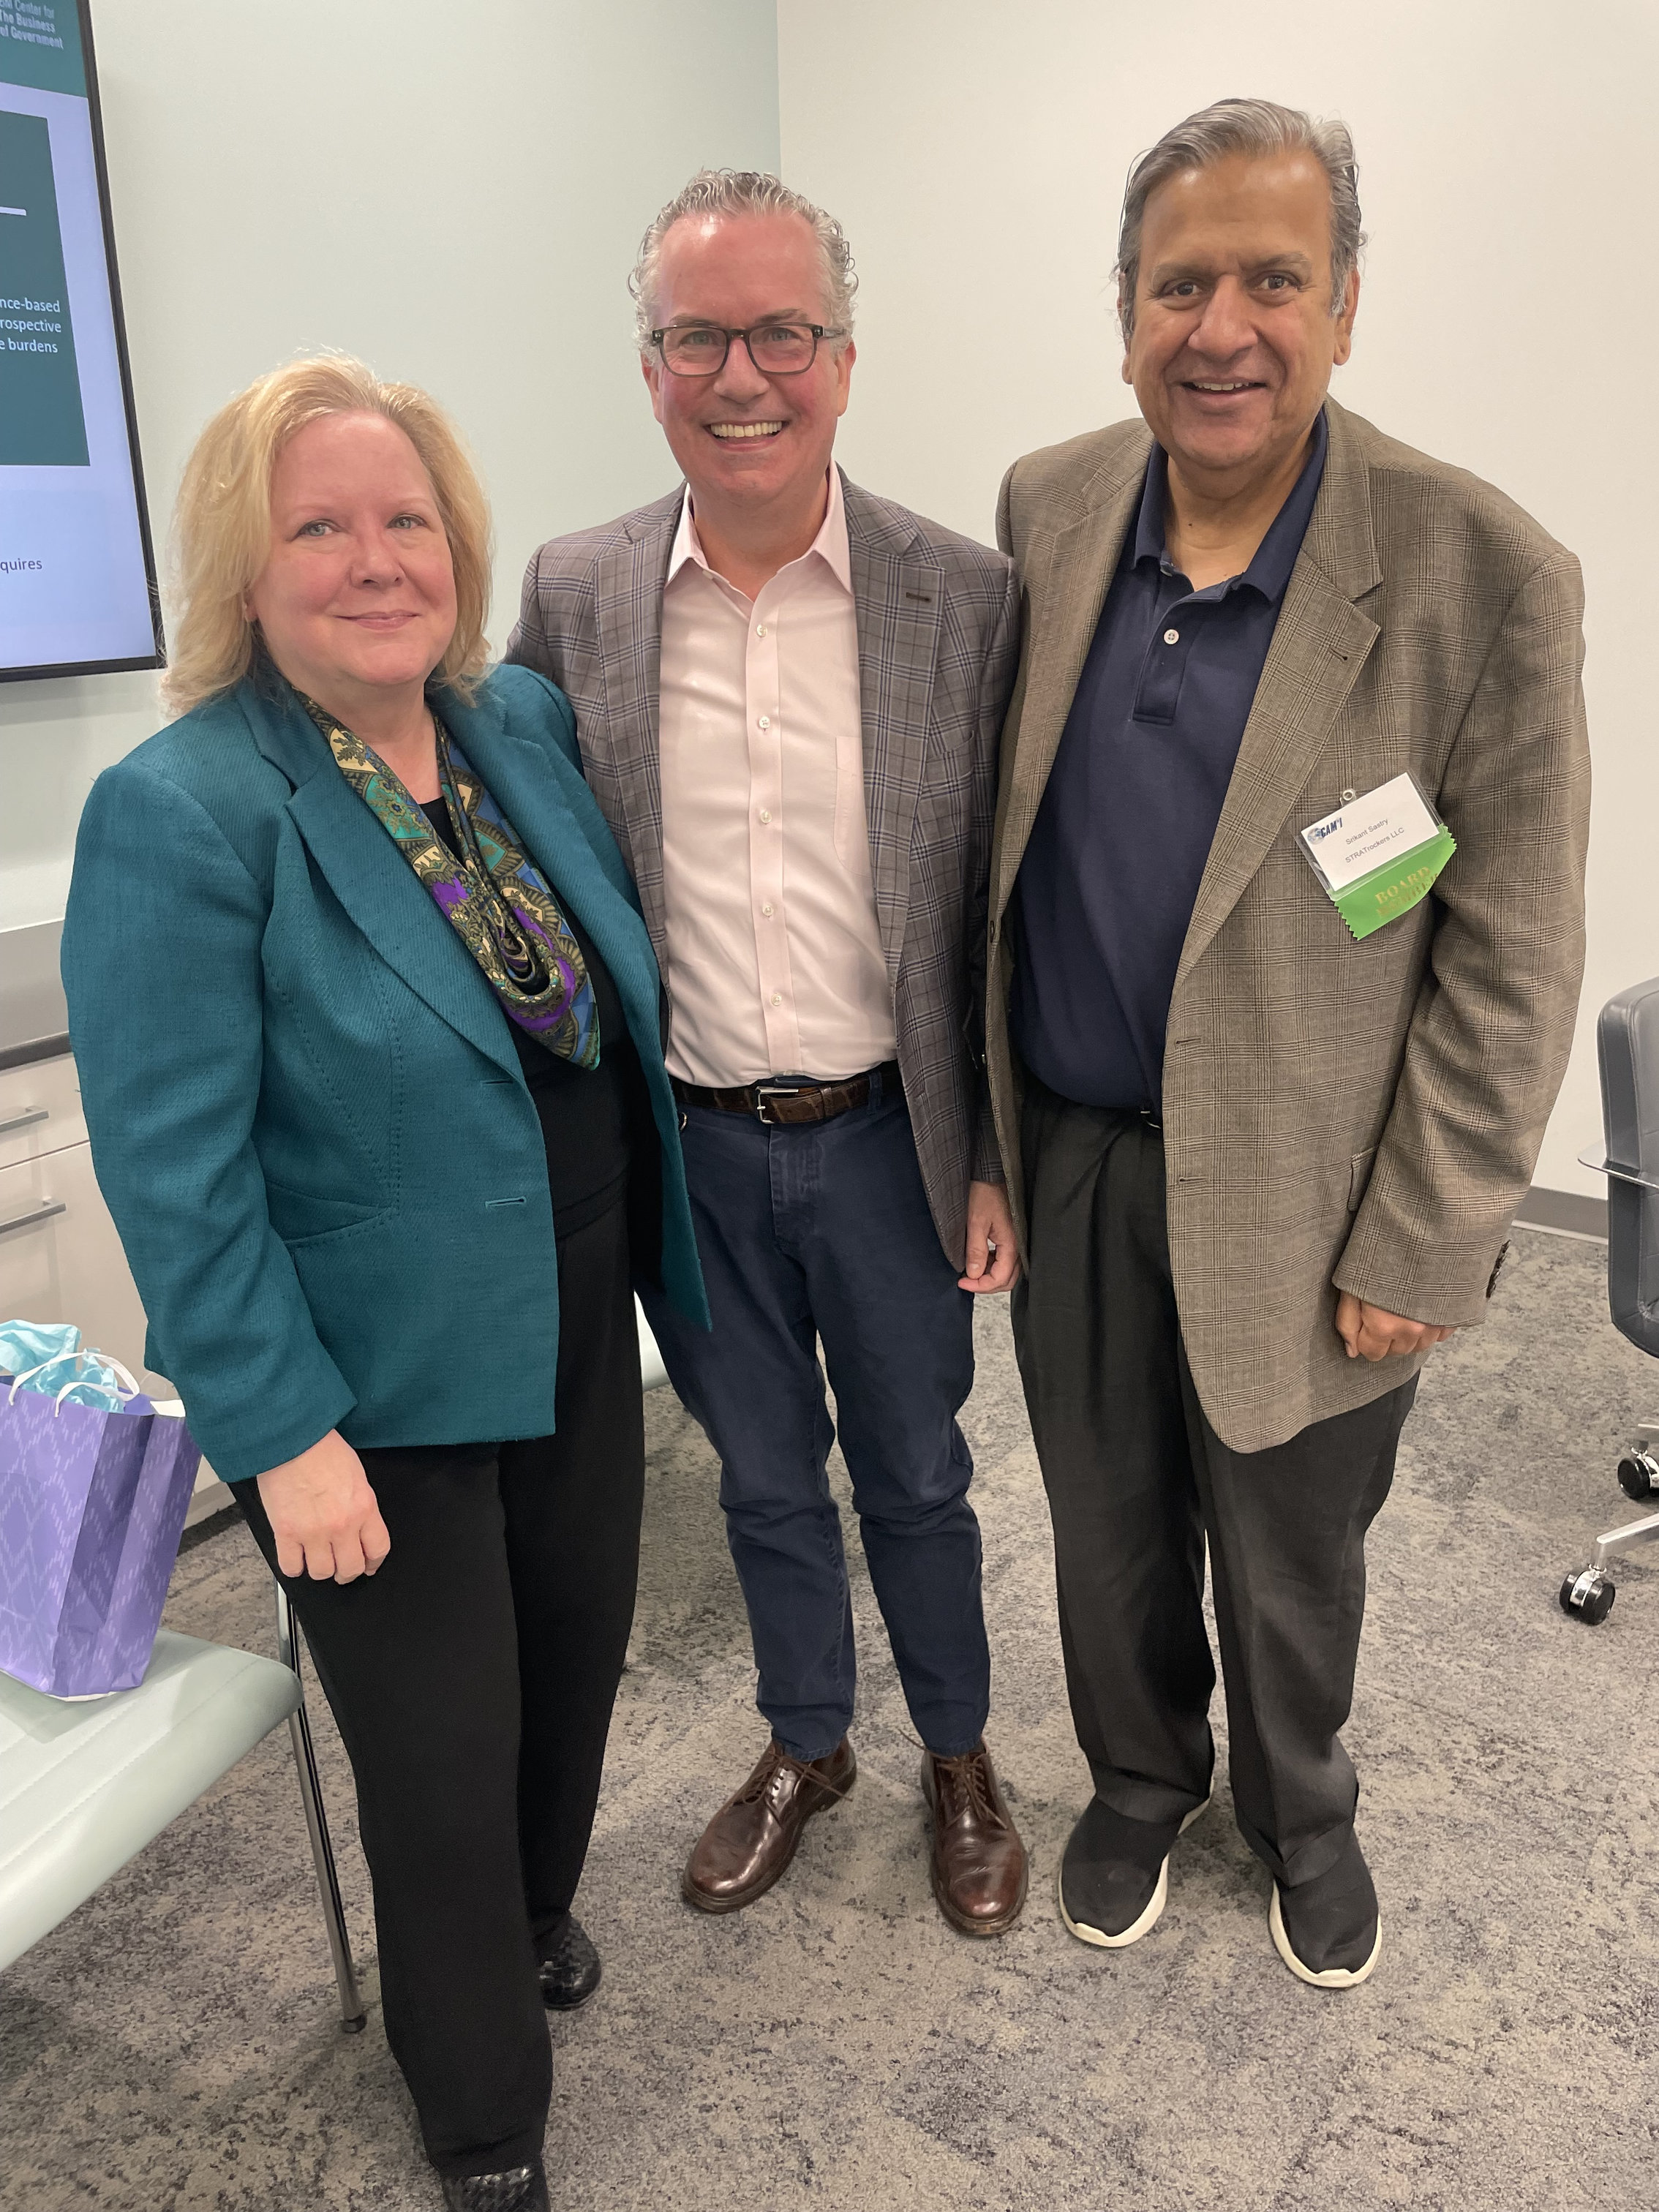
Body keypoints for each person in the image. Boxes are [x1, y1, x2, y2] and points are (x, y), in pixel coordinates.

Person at [61, 356, 706, 2211]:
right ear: (243, 572)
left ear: (458, 544)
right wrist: (281, 1437)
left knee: (573, 1664)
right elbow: (176, 1176)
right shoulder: (186, 807)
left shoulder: (513, 725)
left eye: (406, 519)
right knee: (439, 1752)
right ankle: (482, 2117)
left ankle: (533, 1913)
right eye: (319, 528)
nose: (375, 560)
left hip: (572, 1316)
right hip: (368, 1386)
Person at [989, 100, 1589, 1987]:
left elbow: (1512, 954)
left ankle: (1301, 1811)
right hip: (1079, 1151)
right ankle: (1138, 1776)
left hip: (1325, 1192)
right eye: (1182, 284)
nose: (1223, 327)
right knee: (1103, 1522)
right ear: (1125, 310)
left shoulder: (1481, 568)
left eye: (1274, 278)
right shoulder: (1051, 509)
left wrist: (1426, 1235)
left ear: (1345, 304)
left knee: (1292, 1544)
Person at [508, 170, 1029, 1936]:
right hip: (694, 1150)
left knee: (920, 1474)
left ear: (846, 359)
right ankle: (811, 1742)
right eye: (699, 337)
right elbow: (518, 856)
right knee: (759, 1478)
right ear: (650, 365)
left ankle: (958, 1754)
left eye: (783, 333)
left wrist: (991, 1153)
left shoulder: (964, 597)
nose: (744, 375)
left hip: (891, 1139)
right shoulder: (577, 595)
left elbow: (1001, 905)